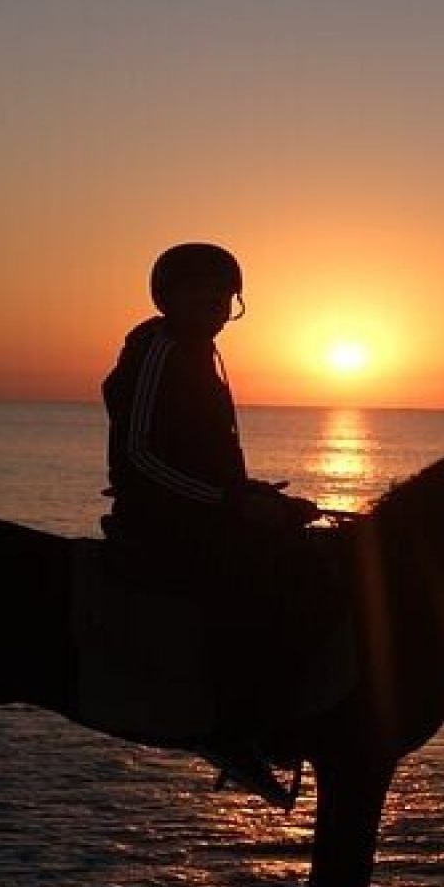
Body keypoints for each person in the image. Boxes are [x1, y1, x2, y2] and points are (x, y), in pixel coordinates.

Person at [100, 242, 320, 808]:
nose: (213, 302)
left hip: (203, 509)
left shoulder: (202, 354)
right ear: (168, 297)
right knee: (256, 586)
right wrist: (231, 504)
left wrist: (254, 496)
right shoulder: (160, 350)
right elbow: (140, 454)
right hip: (163, 518)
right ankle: (231, 727)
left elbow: (206, 458)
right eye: (197, 290)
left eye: (221, 293)